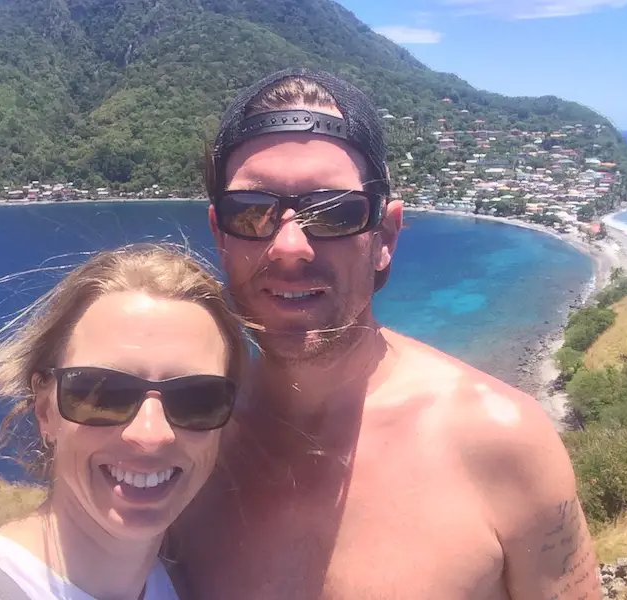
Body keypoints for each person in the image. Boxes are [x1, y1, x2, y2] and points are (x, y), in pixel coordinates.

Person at [169, 68, 603, 600]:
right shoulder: (178, 443)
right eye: (251, 214)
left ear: (386, 236)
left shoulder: (501, 441)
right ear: (219, 234)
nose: (289, 246)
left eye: (333, 213)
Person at [0, 244, 246, 600]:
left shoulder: (188, 583)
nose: (151, 434)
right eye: (104, 393)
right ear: (45, 410)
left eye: (197, 398)